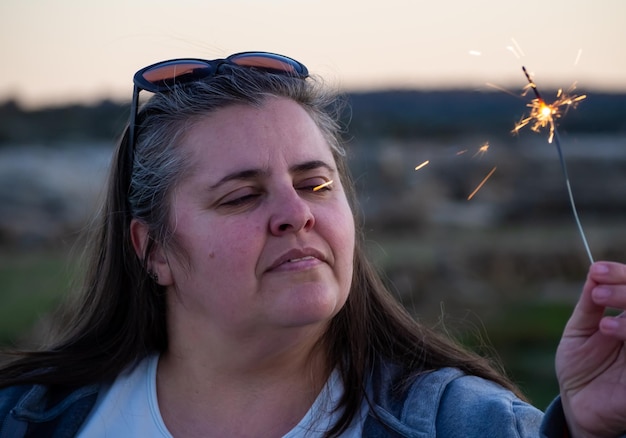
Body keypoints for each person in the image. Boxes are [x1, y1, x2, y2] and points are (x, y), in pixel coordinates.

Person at [0, 51, 624, 437]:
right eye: (241, 196)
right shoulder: (30, 419)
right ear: (153, 249)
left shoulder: (464, 424)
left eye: (316, 183)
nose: (295, 214)